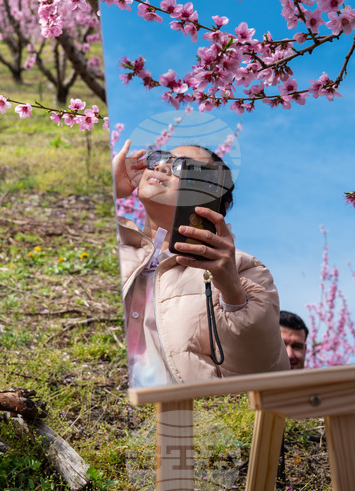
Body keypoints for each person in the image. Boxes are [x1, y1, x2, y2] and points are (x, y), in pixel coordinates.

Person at [113, 140, 288, 387]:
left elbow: (263, 371)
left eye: (184, 167)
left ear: (214, 198)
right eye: (160, 158)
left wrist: (232, 291)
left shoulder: (243, 271)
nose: (162, 167)